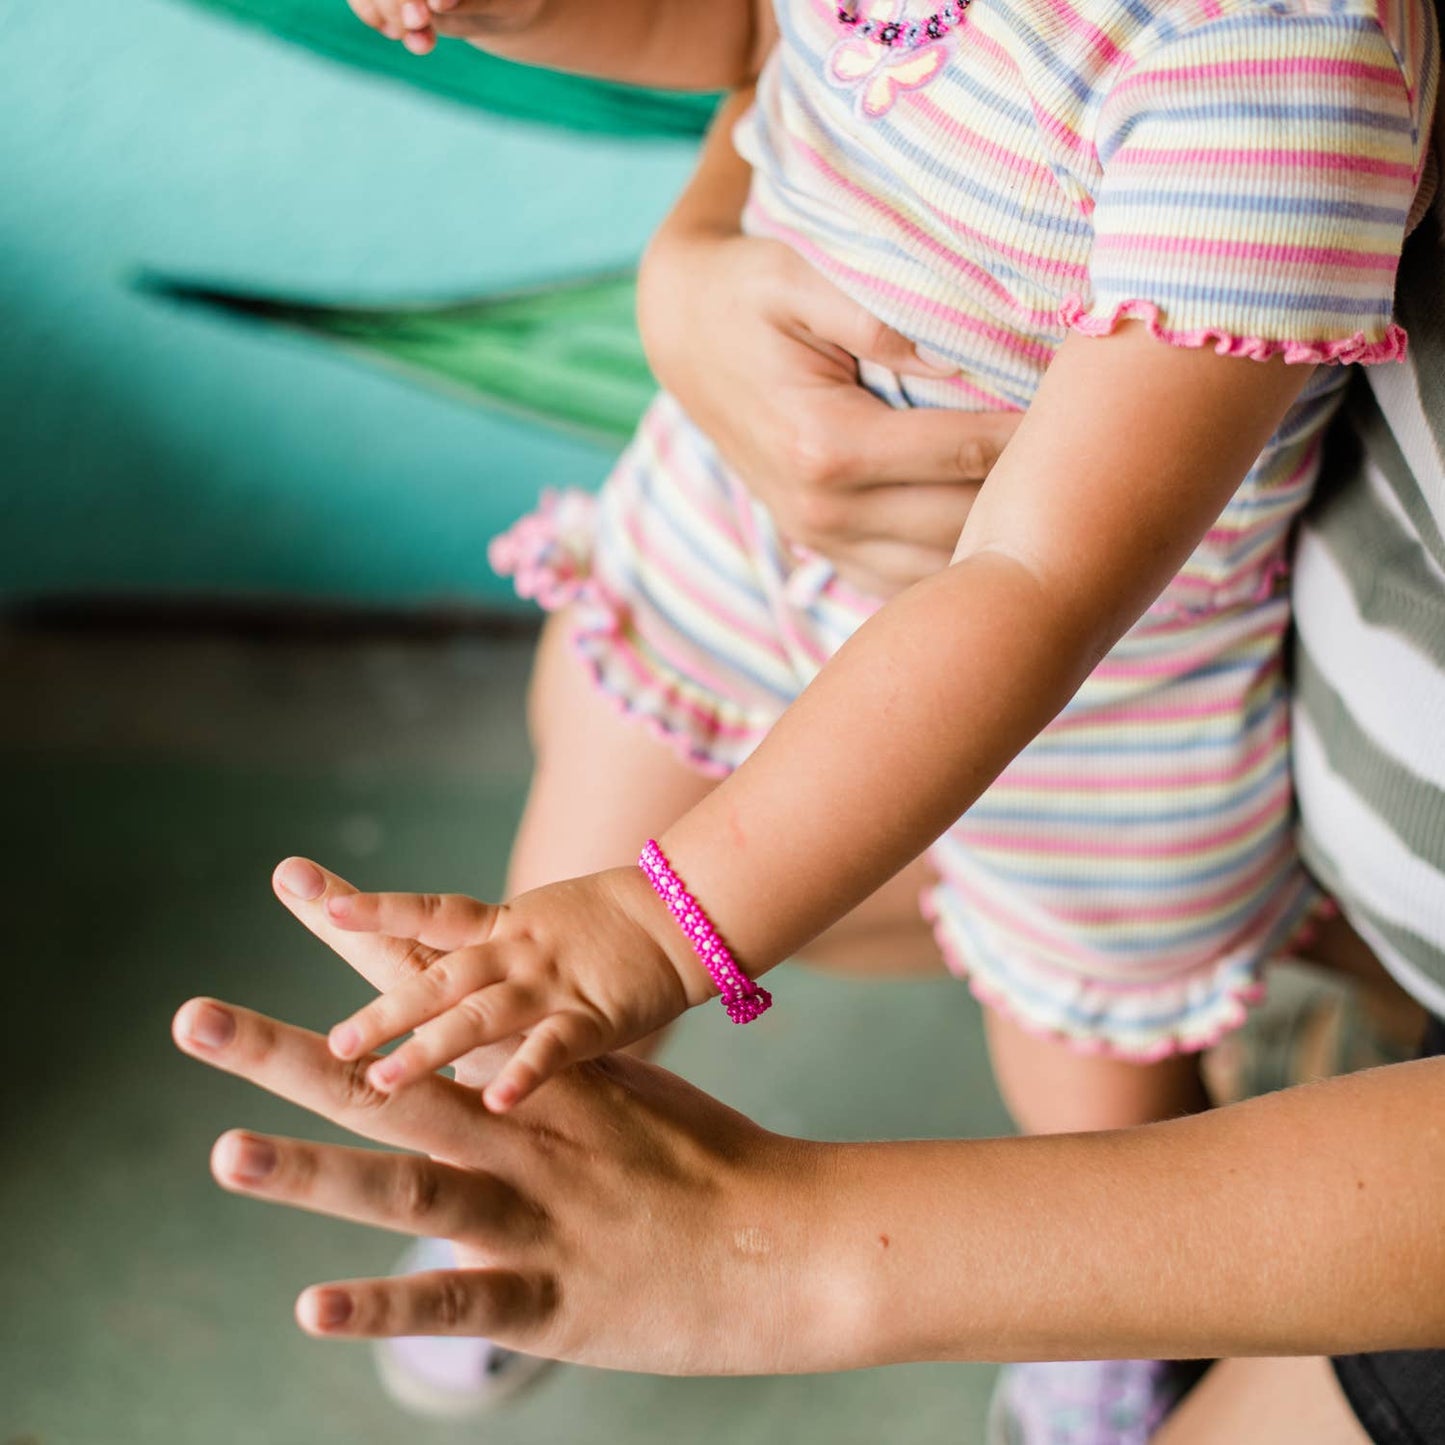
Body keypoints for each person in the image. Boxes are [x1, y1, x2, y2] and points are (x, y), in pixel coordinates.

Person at [316, 0, 1435, 1432]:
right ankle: (518, 1186)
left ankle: (1106, 1336)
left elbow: (1034, 581)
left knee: (1082, 1063)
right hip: (736, 531)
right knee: (548, 903)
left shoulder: (1275, 62)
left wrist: (668, 925)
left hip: (1088, 698)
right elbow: (729, 32)